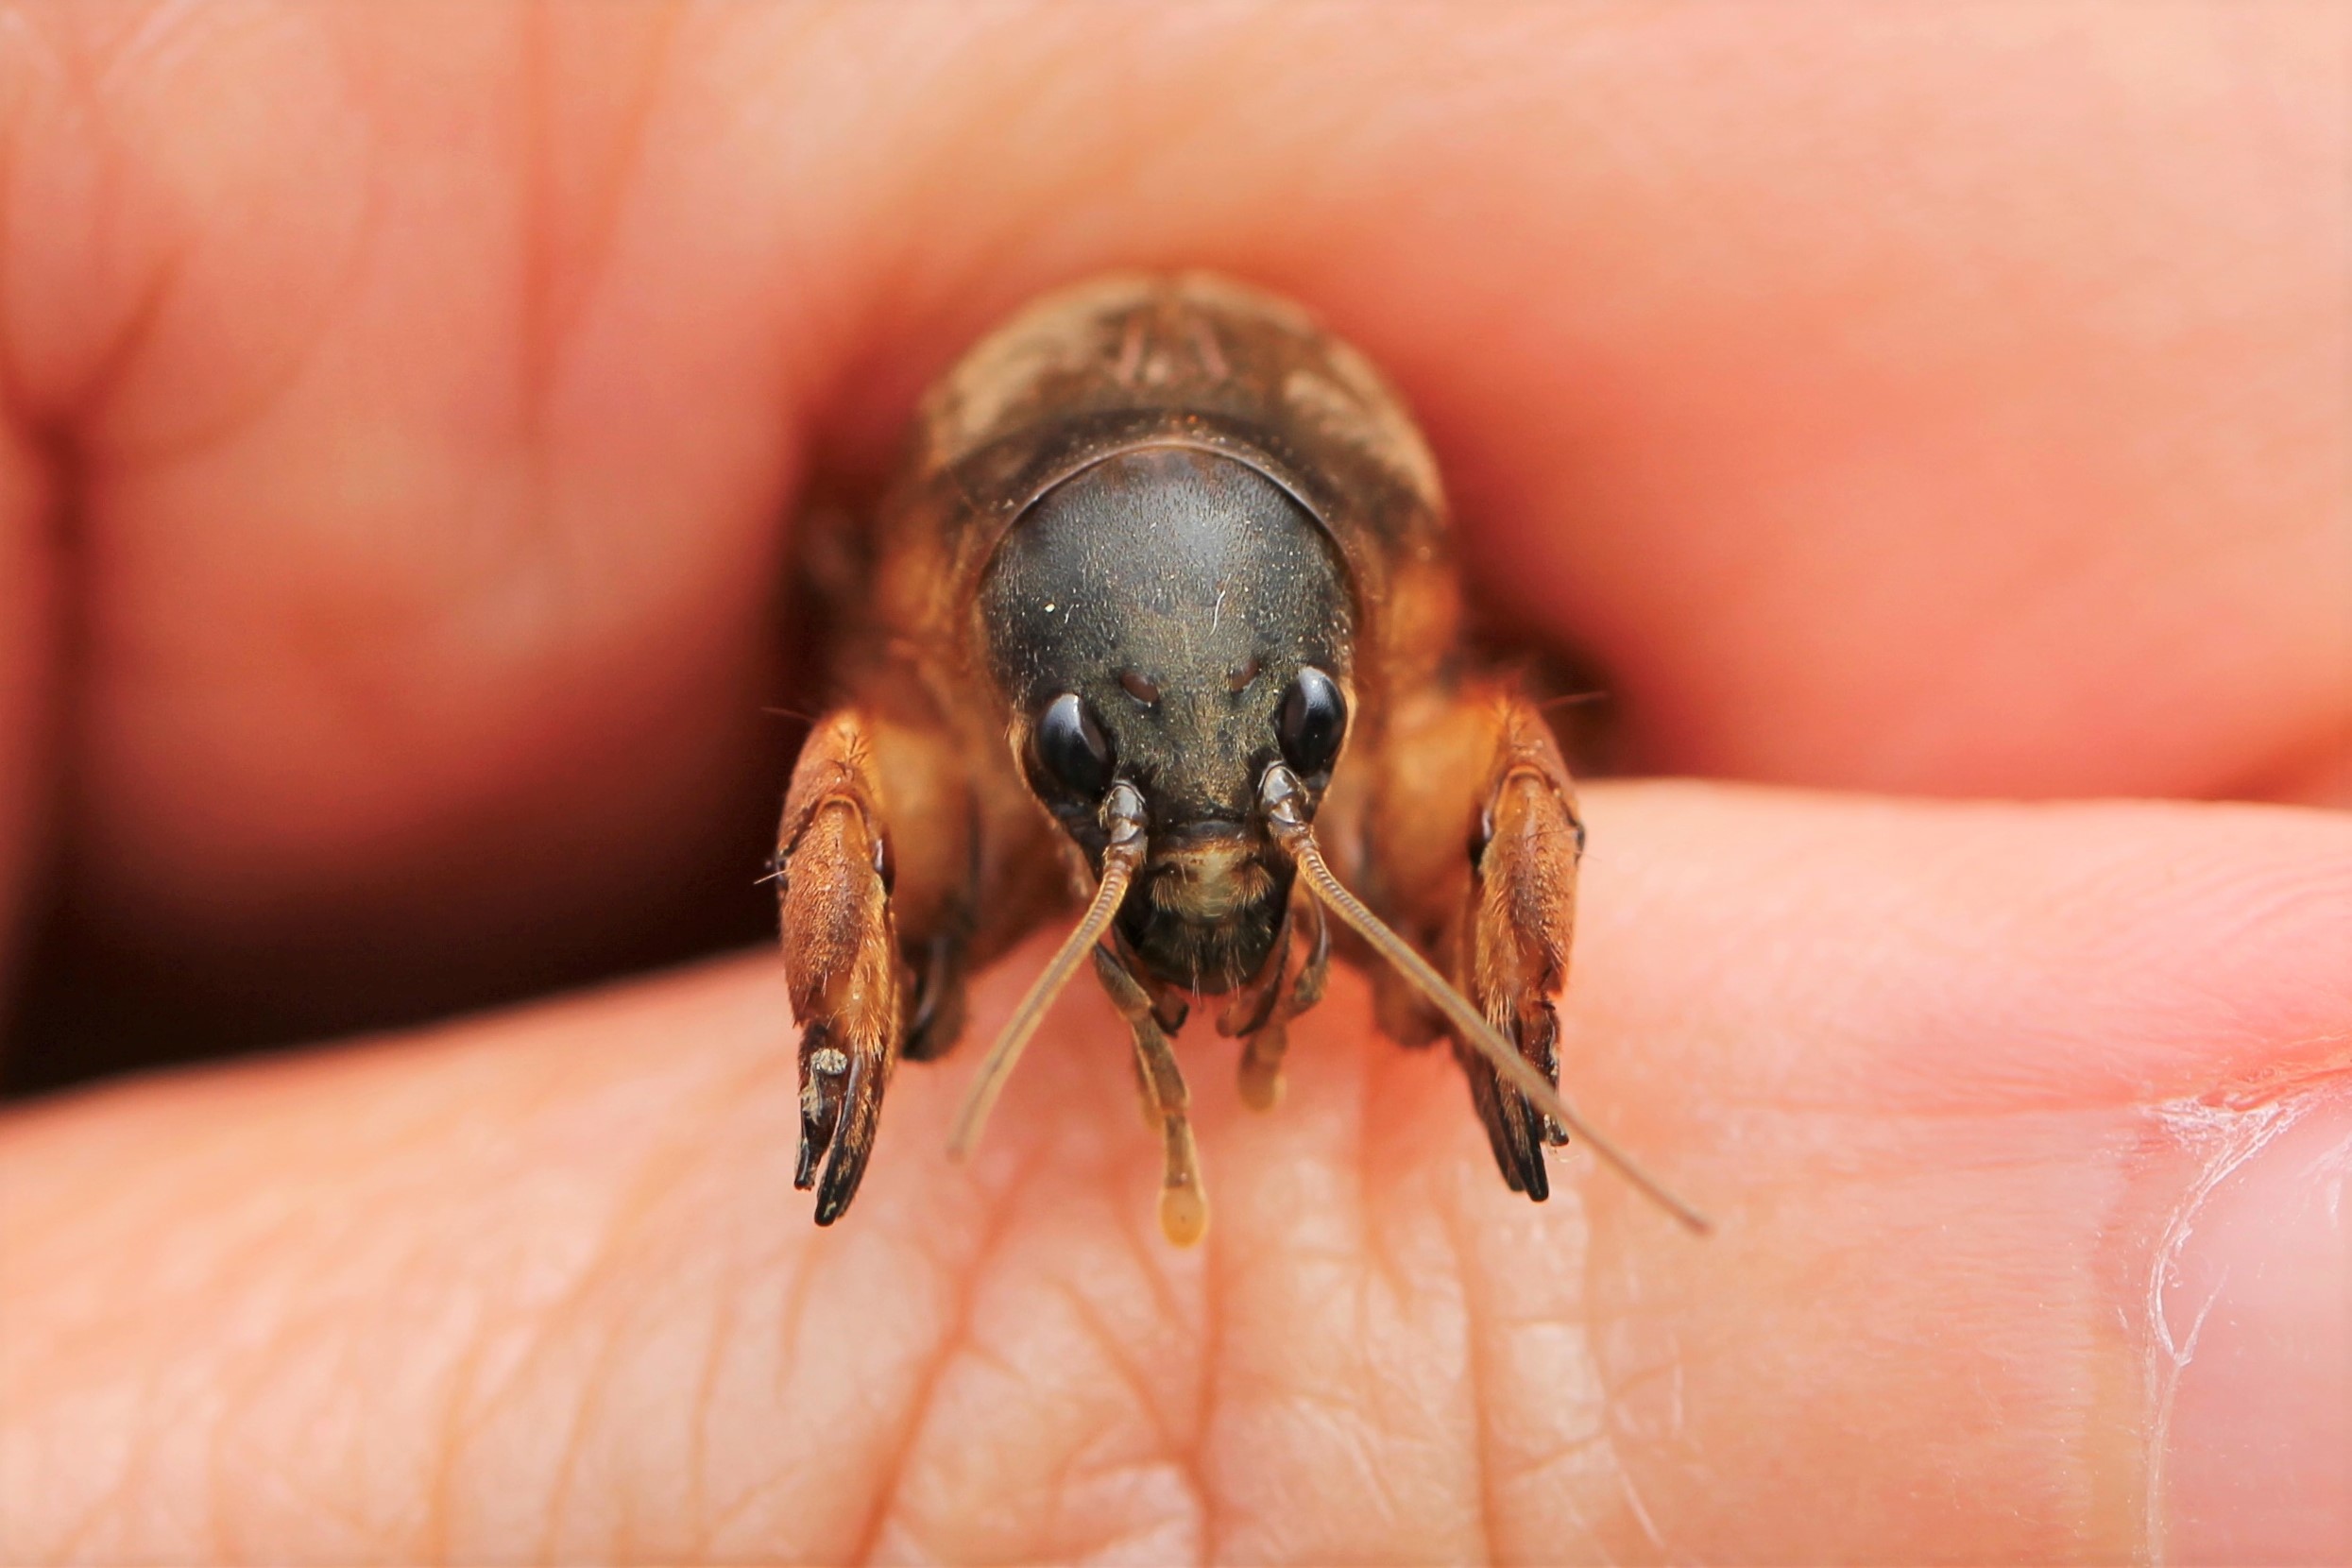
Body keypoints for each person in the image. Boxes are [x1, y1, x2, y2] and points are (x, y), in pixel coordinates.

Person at [0, 4, 2342, 1560]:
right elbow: (851, 783)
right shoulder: (912, 690)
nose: (1238, 841)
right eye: (1084, 769)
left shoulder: (1417, 670)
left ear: (1375, 650)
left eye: (1308, 753)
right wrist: (851, 1039)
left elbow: (1497, 767)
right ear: (979, 685)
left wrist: (1505, 1019)